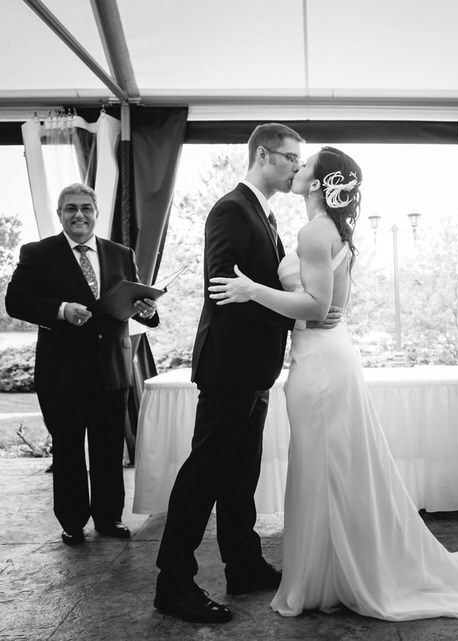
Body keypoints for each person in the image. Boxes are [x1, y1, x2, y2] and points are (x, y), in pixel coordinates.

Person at [209, 146, 458, 621]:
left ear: (318, 183)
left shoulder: (314, 231)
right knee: (330, 469)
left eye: (304, 163)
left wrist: (251, 290)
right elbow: (323, 306)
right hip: (323, 356)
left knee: (327, 468)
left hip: (321, 364)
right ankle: (336, 572)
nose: (297, 166)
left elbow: (313, 306)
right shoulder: (329, 231)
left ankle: (336, 576)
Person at [153, 124, 341, 624]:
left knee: (242, 471)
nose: (297, 167)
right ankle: (173, 581)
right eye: (290, 158)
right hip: (229, 365)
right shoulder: (231, 209)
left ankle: (244, 563)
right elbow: (223, 287)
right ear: (263, 155)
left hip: (254, 367)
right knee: (205, 471)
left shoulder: (264, 211)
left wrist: (293, 308)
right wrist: (294, 311)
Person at [5, 183, 159, 545]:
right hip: (62, 373)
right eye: (71, 208)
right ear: (60, 214)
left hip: (111, 369)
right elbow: (15, 302)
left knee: (108, 449)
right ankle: (72, 521)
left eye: (86, 208)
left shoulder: (121, 253)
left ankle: (109, 519)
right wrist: (60, 310)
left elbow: (135, 298)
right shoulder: (38, 253)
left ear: (96, 213)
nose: (79, 215)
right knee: (69, 450)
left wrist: (147, 310)